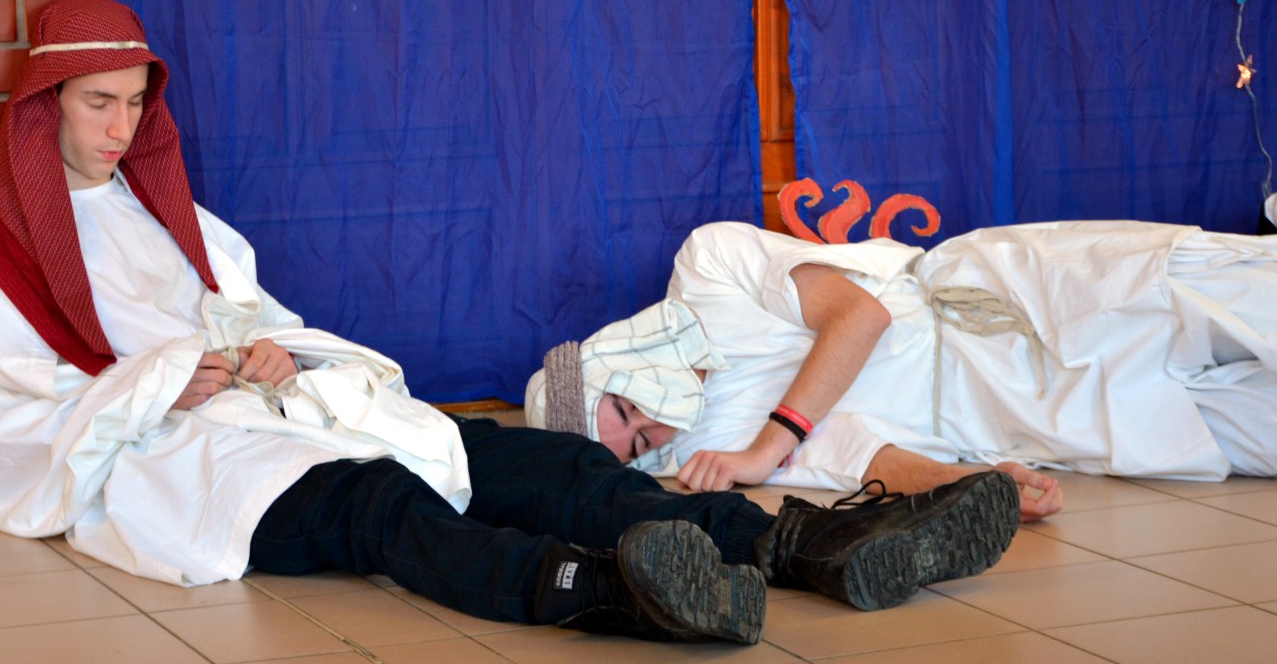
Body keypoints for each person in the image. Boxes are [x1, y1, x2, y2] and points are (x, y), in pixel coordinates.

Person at [0, 0, 1024, 646]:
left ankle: (806, 545)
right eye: (98, 103)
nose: (122, 128)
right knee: (383, 503)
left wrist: (267, 350)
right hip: (187, 464)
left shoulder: (174, 220)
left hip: (285, 411)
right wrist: (166, 383)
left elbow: (258, 313)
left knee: (537, 461)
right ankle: (616, 595)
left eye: (135, 103)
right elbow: (15, 435)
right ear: (42, 106)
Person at [527, 220, 1277, 521]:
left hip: (1010, 302)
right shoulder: (698, 456)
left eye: (625, 407)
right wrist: (975, 486)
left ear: (609, 357)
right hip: (1007, 414)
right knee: (1248, 433)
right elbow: (859, 456)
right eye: (636, 445)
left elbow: (860, 316)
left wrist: (766, 449)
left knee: (1246, 303)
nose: (654, 425)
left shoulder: (708, 268)